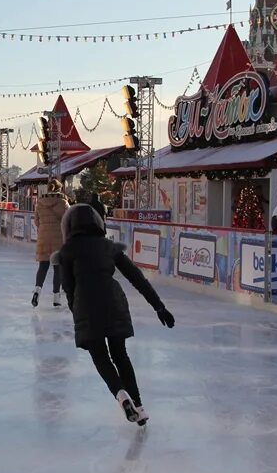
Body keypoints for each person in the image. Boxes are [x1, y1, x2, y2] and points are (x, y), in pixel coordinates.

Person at [55, 204, 175, 426]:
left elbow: (68, 287)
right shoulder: (109, 247)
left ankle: (121, 395)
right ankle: (138, 406)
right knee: (120, 355)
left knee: (99, 355)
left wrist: (76, 312)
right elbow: (137, 278)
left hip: (86, 305)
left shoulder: (67, 251)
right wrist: (159, 307)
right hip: (114, 302)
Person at [32, 179, 70, 307]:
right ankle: (56, 297)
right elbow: (69, 220)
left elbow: (36, 222)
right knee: (57, 268)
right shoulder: (63, 203)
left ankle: (37, 290)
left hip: (43, 237)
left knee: (43, 266)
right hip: (58, 238)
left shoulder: (40, 203)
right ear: (60, 189)